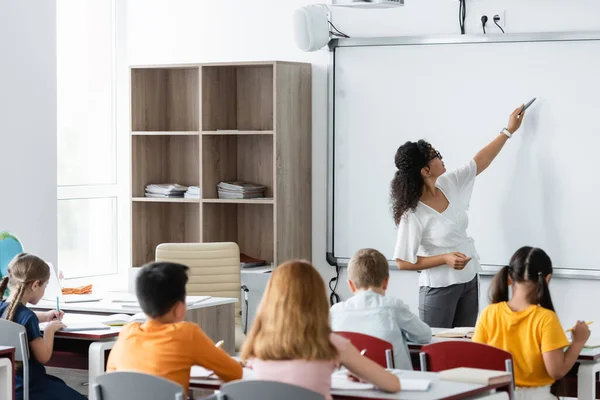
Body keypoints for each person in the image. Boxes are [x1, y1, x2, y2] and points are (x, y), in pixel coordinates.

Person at [391, 105, 526, 328]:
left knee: (465, 346)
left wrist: (508, 131)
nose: (441, 158)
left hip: (468, 281)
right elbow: (403, 261)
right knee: (438, 351)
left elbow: (479, 162)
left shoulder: (448, 183)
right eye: (435, 156)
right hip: (438, 289)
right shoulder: (413, 213)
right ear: (425, 171)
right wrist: (444, 259)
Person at [241, 260, 400, 400]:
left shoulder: (257, 344)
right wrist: (364, 375)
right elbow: (393, 384)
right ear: (318, 300)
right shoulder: (332, 344)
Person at [472, 246, 590, 399]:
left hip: (496, 395)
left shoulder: (489, 313)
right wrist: (578, 343)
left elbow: (476, 360)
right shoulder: (545, 318)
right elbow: (557, 371)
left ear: (509, 278)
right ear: (547, 280)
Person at [106, 262, 242, 392]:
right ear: (179, 308)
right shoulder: (188, 334)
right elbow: (235, 373)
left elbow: (111, 376)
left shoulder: (126, 333)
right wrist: (215, 355)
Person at [0, 253, 85, 400]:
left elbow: (17, 318)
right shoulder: (28, 317)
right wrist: (49, 329)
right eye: (45, 286)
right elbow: (43, 356)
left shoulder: (3, 308)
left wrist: (45, 316)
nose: (44, 290)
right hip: (31, 387)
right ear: (35, 285)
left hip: (7, 385)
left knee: (59, 383)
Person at [330, 248, 431, 370]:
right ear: (386, 282)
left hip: (349, 383)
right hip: (395, 383)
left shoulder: (335, 312)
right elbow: (424, 335)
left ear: (350, 285)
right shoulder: (394, 307)